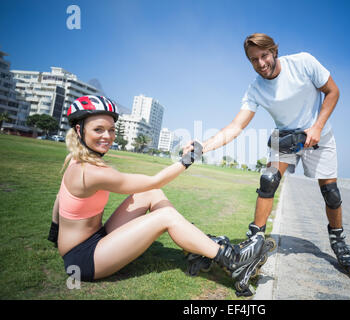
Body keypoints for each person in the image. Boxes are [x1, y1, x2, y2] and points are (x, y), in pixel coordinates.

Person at [46, 95, 267, 294]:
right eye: (98, 129)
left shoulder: (77, 159)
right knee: (165, 215)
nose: (108, 136)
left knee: (151, 193)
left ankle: (197, 247)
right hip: (83, 259)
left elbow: (59, 198)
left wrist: (55, 233)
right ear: (78, 130)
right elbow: (155, 179)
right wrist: (189, 159)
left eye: (111, 129)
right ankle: (234, 261)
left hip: (96, 239)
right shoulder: (89, 172)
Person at [198, 33, 350, 278]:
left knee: (331, 193)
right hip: (286, 138)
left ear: (274, 51)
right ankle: (255, 242)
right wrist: (202, 146)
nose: (261, 64)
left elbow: (333, 91)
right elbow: (236, 126)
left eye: (264, 56)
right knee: (268, 180)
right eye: (254, 60)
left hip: (319, 135)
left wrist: (316, 127)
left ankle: (338, 240)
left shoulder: (303, 62)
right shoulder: (255, 89)